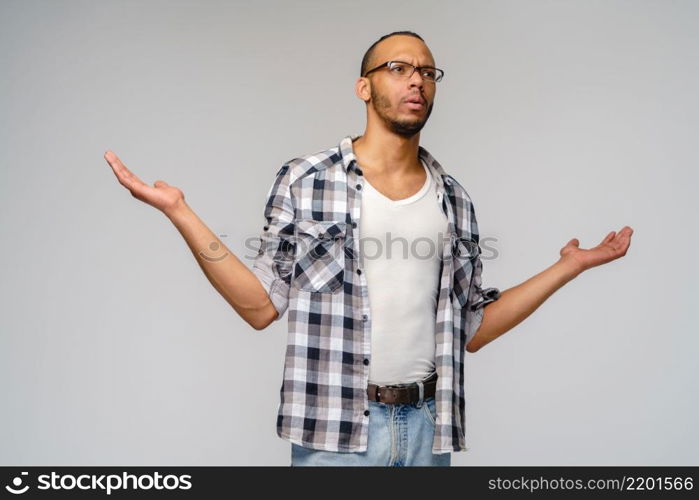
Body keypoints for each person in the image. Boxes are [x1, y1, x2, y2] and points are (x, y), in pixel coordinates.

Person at [103, 30, 634, 467]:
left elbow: (474, 327)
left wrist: (570, 267)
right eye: (399, 68)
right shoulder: (307, 180)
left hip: (428, 432)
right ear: (364, 86)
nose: (417, 81)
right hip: (335, 435)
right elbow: (260, 305)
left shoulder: (453, 199)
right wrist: (179, 211)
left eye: (427, 72)